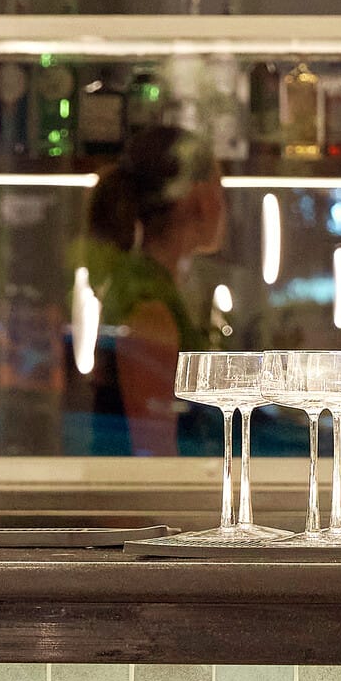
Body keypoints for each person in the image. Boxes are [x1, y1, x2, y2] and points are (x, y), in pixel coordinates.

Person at [84, 125, 226, 453]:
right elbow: (154, 448)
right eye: (220, 190)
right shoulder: (149, 305)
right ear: (201, 198)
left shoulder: (147, 286)